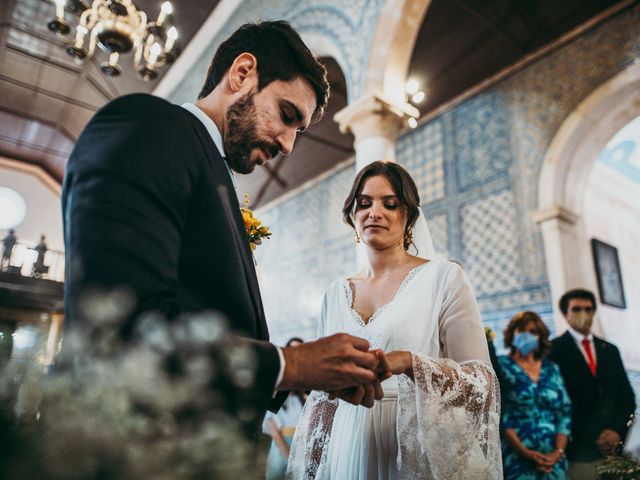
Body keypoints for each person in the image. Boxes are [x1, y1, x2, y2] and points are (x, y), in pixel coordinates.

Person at [62, 21, 388, 423]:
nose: (288, 144)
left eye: (298, 130)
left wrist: (305, 375)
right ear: (242, 73)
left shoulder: (212, 170)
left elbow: (205, 318)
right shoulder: (150, 128)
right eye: (286, 115)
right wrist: (292, 364)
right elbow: (122, 330)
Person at [287, 161, 502, 479]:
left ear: (409, 216)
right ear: (352, 216)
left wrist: (408, 362)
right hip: (345, 445)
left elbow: (481, 384)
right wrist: (310, 466)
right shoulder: (335, 293)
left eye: (390, 204)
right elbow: (321, 399)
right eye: (364, 203)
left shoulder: (443, 277)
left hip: (412, 447)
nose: (374, 212)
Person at [548, 289, 636, 480]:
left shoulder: (610, 350)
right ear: (565, 313)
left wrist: (615, 431)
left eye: (588, 309)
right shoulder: (553, 351)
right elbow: (555, 402)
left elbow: (626, 397)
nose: (583, 314)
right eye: (576, 309)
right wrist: (595, 435)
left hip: (614, 448)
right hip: (579, 449)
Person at [499, 311, 572, 479]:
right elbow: (501, 414)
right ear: (512, 334)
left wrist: (558, 452)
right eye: (522, 330)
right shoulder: (502, 366)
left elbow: (565, 412)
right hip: (516, 456)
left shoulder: (551, 369)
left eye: (533, 332)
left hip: (553, 459)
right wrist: (524, 452)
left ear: (541, 337)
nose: (527, 335)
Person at [263, 338, 308, 480]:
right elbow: (274, 432)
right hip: (281, 453)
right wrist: (290, 458)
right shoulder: (275, 397)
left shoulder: (306, 397)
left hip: (301, 450)